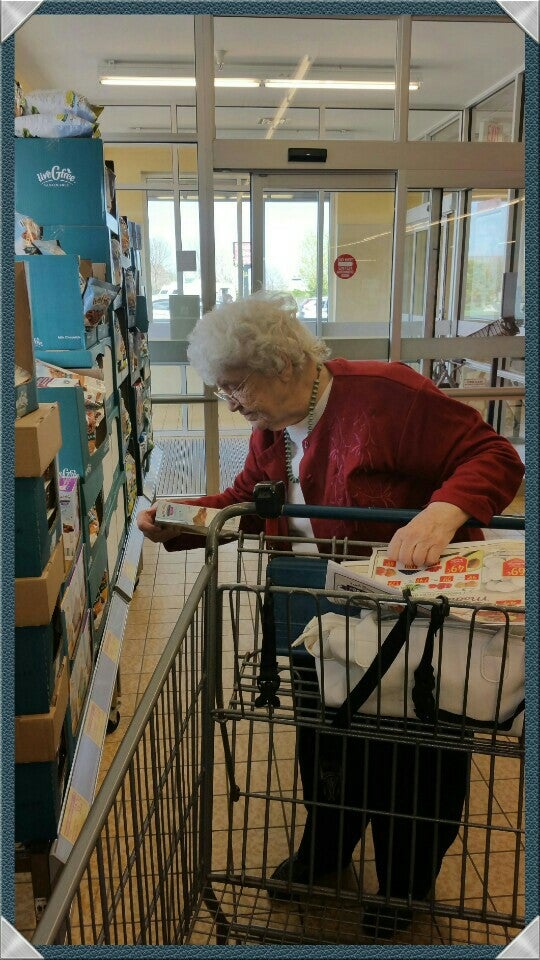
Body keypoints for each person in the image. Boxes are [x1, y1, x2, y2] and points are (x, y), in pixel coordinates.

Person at [137, 290, 524, 932]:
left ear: (284, 363)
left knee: (412, 760)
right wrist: (181, 518)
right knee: (325, 742)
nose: (230, 403)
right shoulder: (271, 430)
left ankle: (405, 885)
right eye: (222, 388)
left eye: (236, 385)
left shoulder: (387, 395)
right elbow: (247, 498)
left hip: (405, 625)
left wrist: (443, 511)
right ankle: (326, 848)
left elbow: (495, 456)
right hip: (313, 615)